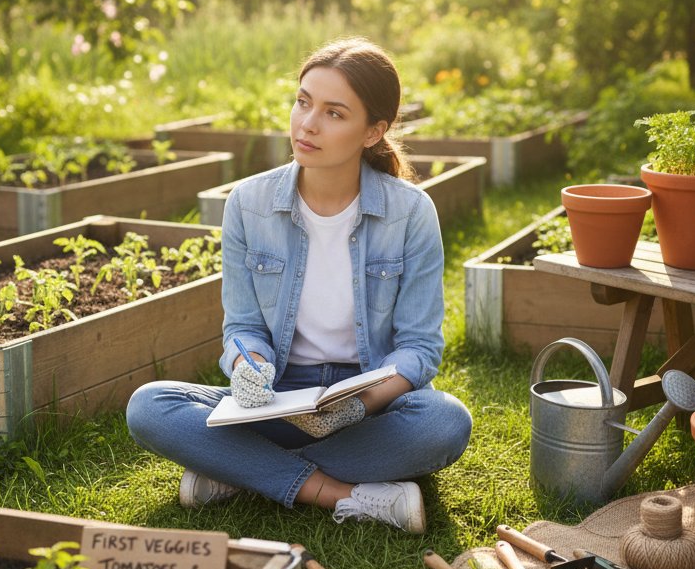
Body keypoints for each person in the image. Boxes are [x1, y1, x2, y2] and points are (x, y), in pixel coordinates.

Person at [126, 37, 473, 533]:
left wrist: (357, 404)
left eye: (334, 113)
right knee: (150, 406)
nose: (307, 124)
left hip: (367, 402)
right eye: (303, 101)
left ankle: (239, 471)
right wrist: (249, 362)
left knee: (444, 423)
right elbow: (243, 327)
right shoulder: (248, 204)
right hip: (278, 401)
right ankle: (342, 494)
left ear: (374, 131)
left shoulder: (411, 213)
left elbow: (419, 349)